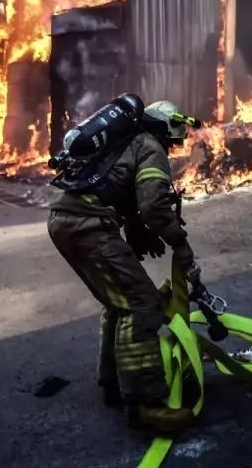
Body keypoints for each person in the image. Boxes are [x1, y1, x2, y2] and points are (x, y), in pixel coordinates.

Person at [47, 99, 203, 433]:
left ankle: (113, 382)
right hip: (87, 225)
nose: (173, 148)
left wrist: (135, 228)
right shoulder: (150, 147)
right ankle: (146, 404)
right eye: (174, 140)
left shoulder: (124, 143)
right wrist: (180, 244)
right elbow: (154, 205)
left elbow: (124, 196)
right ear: (165, 128)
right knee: (141, 306)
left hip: (65, 220)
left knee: (118, 303)